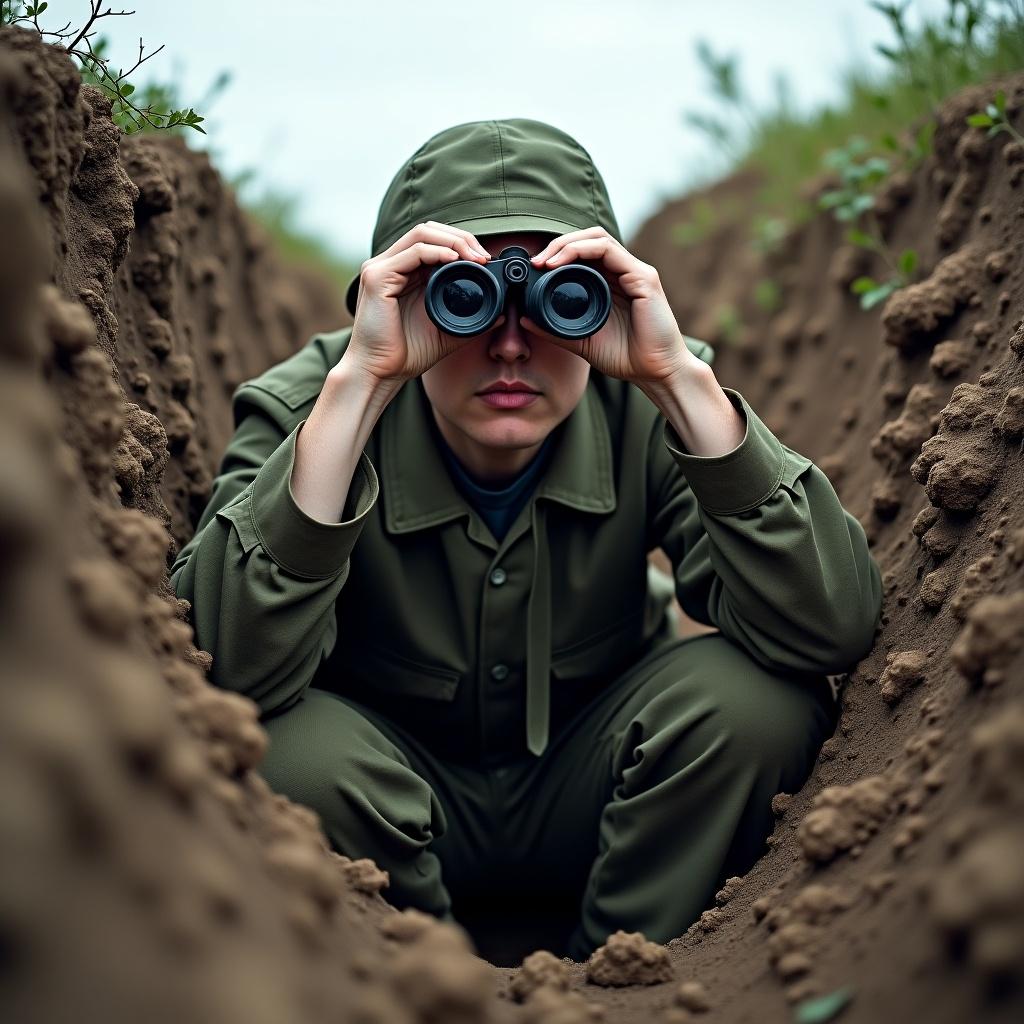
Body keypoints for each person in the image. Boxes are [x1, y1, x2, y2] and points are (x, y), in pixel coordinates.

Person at [171, 118, 882, 962]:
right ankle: (417, 984)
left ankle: (623, 976)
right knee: (285, 752)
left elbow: (827, 627)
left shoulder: (647, 402)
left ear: (608, 297)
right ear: (391, 297)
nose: (511, 344)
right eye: (463, 298)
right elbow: (222, 670)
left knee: (755, 703)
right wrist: (357, 396)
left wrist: (679, 382)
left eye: (559, 300)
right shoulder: (314, 408)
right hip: (384, 793)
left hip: (599, 784)